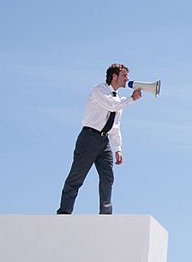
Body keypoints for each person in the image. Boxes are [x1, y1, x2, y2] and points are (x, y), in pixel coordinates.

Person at [57, 63, 142, 215]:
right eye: (124, 75)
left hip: (104, 141)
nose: (127, 79)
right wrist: (131, 99)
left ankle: (105, 213)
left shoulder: (119, 100)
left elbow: (115, 126)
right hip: (89, 138)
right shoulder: (99, 90)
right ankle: (64, 212)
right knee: (77, 176)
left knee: (107, 177)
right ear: (114, 76)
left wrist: (118, 149)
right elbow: (111, 105)